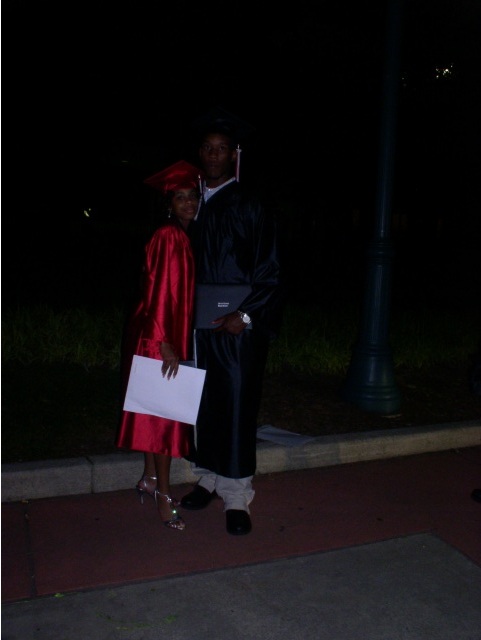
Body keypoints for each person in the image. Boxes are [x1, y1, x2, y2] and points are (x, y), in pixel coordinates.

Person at [180, 107, 283, 535]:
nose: (213, 154)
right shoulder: (189, 205)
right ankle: (208, 477)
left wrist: (245, 314)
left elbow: (270, 270)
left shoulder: (250, 205)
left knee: (237, 404)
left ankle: (237, 494)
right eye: (207, 148)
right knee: (202, 402)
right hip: (196, 324)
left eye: (221, 148)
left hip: (238, 327)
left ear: (233, 154)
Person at [116, 160, 202, 531]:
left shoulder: (177, 234)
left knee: (153, 412)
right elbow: (159, 292)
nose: (188, 202)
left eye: (192, 196)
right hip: (159, 336)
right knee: (163, 420)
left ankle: (149, 479)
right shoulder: (170, 236)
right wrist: (166, 342)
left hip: (153, 332)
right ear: (169, 203)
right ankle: (165, 497)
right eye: (180, 197)